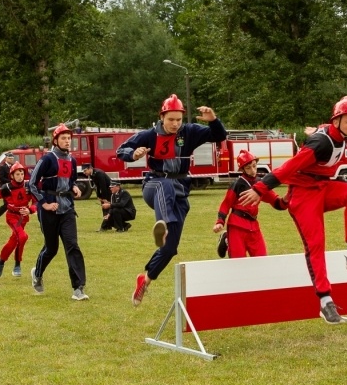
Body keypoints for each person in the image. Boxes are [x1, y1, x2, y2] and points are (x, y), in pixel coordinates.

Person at [238, 96, 347, 325]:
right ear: (336, 121)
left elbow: (322, 129)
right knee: (316, 243)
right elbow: (289, 167)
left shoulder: (337, 133)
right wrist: (260, 189)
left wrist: (312, 130)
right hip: (303, 195)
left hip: (322, 188)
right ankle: (325, 301)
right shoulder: (321, 143)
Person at [116, 94, 227, 307]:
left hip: (180, 191)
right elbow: (122, 150)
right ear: (162, 117)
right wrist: (134, 154)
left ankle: (145, 280)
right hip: (154, 185)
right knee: (164, 184)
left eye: (178, 119)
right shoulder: (149, 135)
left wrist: (213, 120)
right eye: (171, 119)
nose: (175, 124)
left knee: (169, 249)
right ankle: (163, 224)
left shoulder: (190, 132)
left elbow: (219, 135)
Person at [29, 124, 89, 301]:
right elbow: (32, 183)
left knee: (72, 246)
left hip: (67, 209)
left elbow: (71, 181)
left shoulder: (72, 160)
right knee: (51, 248)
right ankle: (37, 274)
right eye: (63, 138)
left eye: (69, 138)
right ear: (55, 140)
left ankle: (78, 288)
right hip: (49, 210)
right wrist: (45, 204)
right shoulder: (47, 159)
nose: (67, 141)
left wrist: (74, 187)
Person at [212, 150, 287, 258]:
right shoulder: (237, 184)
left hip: (254, 227)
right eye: (248, 168)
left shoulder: (261, 184)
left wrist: (287, 198)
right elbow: (226, 204)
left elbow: (277, 203)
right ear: (242, 169)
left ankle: (227, 238)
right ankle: (228, 238)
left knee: (262, 260)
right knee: (238, 262)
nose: (252, 170)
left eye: (254, 166)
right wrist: (220, 222)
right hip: (236, 225)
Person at [0, 162, 36, 278]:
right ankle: (17, 264)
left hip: (23, 218)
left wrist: (30, 210)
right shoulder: (6, 188)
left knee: (15, 240)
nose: (20, 176)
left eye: (22, 174)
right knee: (23, 237)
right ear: (12, 176)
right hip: (12, 217)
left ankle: (1, 260)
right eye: (17, 174)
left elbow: (36, 201)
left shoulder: (28, 186)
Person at [82, 165, 113, 231]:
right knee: (104, 209)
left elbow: (103, 186)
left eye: (85, 171)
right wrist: (98, 196)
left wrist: (104, 198)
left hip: (109, 191)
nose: (84, 173)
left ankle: (104, 227)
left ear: (90, 168)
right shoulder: (92, 174)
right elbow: (97, 186)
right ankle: (108, 225)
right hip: (104, 192)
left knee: (107, 209)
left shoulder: (99, 173)